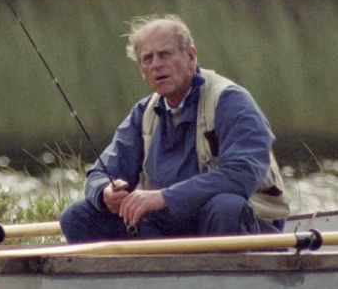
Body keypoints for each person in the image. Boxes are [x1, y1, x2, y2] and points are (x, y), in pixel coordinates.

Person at [59, 14, 292, 242]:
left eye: (165, 54)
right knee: (77, 217)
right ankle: (149, 278)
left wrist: (164, 197)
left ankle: (220, 279)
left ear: (191, 56)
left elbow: (241, 175)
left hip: (246, 225)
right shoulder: (143, 113)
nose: (157, 65)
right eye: (147, 59)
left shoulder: (231, 101)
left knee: (225, 207)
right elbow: (99, 173)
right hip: (172, 229)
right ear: (141, 70)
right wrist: (105, 193)